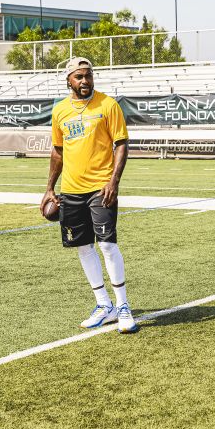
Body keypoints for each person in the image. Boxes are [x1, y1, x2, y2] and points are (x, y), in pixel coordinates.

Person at [41, 56, 138, 334]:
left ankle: (123, 307)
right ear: (68, 80)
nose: (85, 81)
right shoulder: (59, 111)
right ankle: (103, 304)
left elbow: (121, 144)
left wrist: (114, 182)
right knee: (82, 247)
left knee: (107, 244)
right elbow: (57, 152)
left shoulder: (108, 105)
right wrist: (49, 188)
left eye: (88, 76)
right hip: (71, 190)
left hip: (100, 187)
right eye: (79, 77)